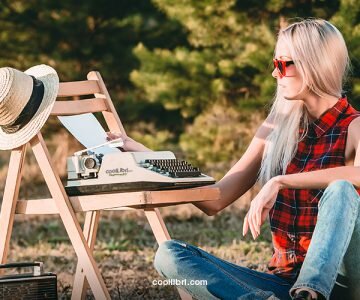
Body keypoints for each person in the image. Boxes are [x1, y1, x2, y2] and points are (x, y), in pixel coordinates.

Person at [107, 19, 360, 300]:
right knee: (170, 257)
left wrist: (280, 181)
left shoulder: (354, 126)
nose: (275, 74)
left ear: (315, 65)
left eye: (283, 65)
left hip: (343, 284)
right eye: (274, 64)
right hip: (285, 282)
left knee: (340, 189)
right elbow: (215, 199)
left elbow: (357, 175)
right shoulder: (277, 127)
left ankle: (310, 292)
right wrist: (151, 158)